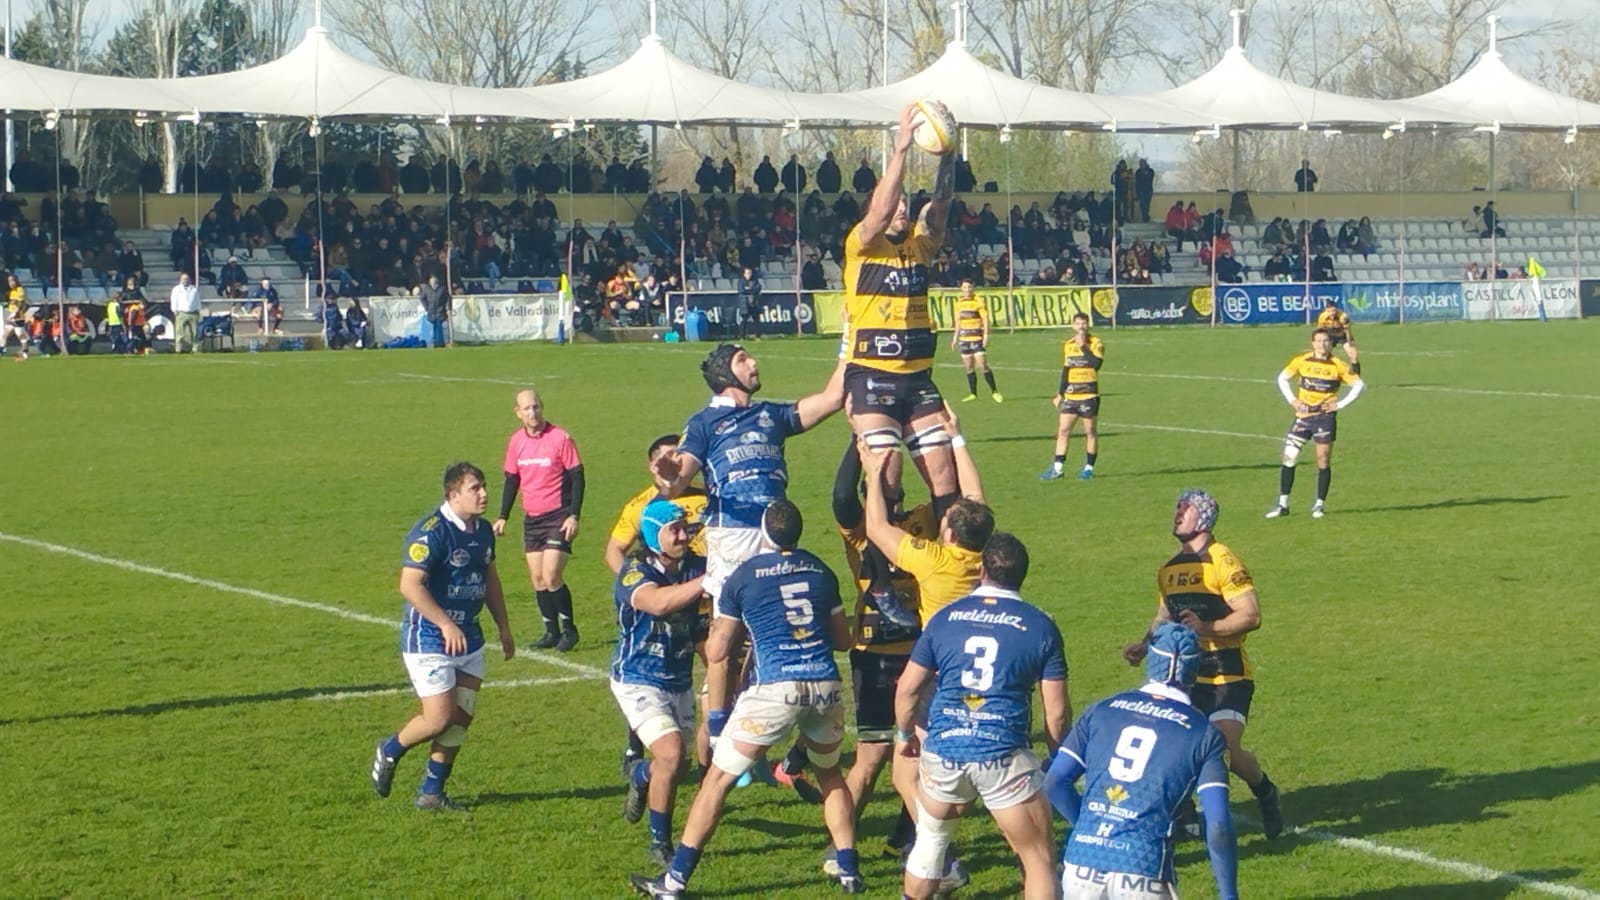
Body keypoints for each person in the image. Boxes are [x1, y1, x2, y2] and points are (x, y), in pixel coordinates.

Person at [630, 500, 863, 898]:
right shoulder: (821, 571)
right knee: (831, 775)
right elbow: (842, 639)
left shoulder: (746, 575)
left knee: (717, 781)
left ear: (764, 534)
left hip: (775, 689)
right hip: (825, 684)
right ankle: (849, 871)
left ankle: (674, 882)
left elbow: (719, 650)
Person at [894, 532, 1070, 900]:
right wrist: (1056, 756)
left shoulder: (945, 618)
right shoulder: (1040, 625)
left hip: (945, 749)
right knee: (1038, 860)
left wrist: (904, 734)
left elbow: (909, 688)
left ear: (981, 568)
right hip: (1002, 755)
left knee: (930, 844)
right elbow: (1055, 711)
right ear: (1022, 575)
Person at [1122, 489, 1283, 840]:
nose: (1177, 512)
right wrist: (1145, 645)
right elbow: (1164, 616)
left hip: (1227, 673)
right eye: (1177, 506)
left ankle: (1266, 792)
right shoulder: (1169, 570)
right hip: (1183, 678)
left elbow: (1251, 615)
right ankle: (1186, 814)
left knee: (1223, 749)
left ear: (1205, 518)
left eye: (1186, 508)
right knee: (1176, 744)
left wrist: (1207, 628)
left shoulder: (1223, 561)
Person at [1047, 623, 1240, 900]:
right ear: (1194, 671)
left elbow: (1054, 782)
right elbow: (1218, 823)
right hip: (1143, 870)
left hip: (1081, 865)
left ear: (1152, 661)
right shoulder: (1205, 734)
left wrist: (1089, 829)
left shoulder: (1102, 710)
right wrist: (1229, 894)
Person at [651, 343, 844, 609]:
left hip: (777, 531)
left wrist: (852, 338)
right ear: (724, 374)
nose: (754, 363)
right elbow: (675, 486)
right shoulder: (704, 423)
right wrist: (670, 476)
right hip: (733, 534)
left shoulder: (772, 415)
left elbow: (833, 398)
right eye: (743, 360)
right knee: (729, 629)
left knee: (774, 617)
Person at [369, 462, 515, 812]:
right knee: (438, 718)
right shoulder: (431, 532)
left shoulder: (482, 531)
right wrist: (445, 624)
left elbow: (489, 579)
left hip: (470, 638)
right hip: (430, 638)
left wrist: (504, 626)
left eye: (484, 486)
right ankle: (390, 750)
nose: (484, 494)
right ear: (453, 495)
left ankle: (432, 791)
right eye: (475, 488)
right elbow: (410, 585)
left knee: (462, 715)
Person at [842, 101, 960, 525]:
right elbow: (878, 212)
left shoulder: (920, 246)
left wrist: (947, 157)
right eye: (896, 203)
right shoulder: (862, 244)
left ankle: (953, 558)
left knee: (945, 475)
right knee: (886, 474)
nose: (903, 209)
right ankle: (881, 575)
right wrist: (901, 151)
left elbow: (941, 205)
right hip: (873, 374)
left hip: (918, 377)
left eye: (907, 203)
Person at [606, 434, 712, 781]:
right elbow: (614, 550)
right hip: (667, 598)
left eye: (678, 454)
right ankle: (637, 746)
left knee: (718, 667)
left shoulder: (706, 496)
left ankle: (720, 756)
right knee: (650, 666)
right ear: (653, 465)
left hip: (703, 599)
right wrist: (639, 584)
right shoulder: (642, 506)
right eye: (666, 456)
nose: (674, 460)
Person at [612, 501, 709, 867]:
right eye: (675, 530)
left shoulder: (696, 566)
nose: (684, 535)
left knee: (674, 765)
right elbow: (658, 603)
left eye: (685, 528)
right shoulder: (634, 571)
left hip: (679, 678)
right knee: (671, 754)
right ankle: (660, 844)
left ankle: (641, 775)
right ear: (654, 536)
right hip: (638, 678)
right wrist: (707, 581)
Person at [491, 389, 585, 651]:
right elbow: (512, 479)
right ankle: (551, 631)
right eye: (527, 409)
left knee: (552, 574)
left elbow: (577, 476)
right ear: (518, 413)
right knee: (537, 578)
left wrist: (573, 515)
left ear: (542, 407)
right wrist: (503, 516)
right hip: (532, 519)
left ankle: (570, 629)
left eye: (536, 407)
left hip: (558, 516)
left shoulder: (560, 438)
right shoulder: (516, 442)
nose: (533, 413)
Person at [1265, 328, 1365, 519]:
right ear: (1312, 343)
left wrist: (1339, 405)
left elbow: (1359, 385)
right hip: (1302, 417)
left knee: (1323, 460)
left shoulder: (1337, 365)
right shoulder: (1302, 360)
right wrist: (1293, 401)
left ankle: (1319, 505)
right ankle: (1282, 505)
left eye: (1325, 341)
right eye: (1318, 341)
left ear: (1330, 344)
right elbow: (1282, 378)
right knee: (1289, 457)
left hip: (1324, 418)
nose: (1322, 344)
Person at [1041, 312, 1104, 481]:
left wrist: (1083, 346)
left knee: (1090, 431)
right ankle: (1058, 468)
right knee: (1063, 431)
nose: (1081, 326)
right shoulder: (1068, 345)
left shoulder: (1095, 343)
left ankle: (1088, 468)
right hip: (1071, 396)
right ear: (1073, 326)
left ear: (1088, 325)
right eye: (1078, 323)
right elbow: (1066, 370)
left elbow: (1096, 364)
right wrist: (1060, 393)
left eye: (1084, 323)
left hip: (1088, 395)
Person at [950, 279, 1001, 403]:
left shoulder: (978, 301)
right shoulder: (958, 303)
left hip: (977, 338)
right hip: (964, 339)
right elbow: (958, 322)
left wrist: (986, 335)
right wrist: (955, 338)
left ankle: (995, 392)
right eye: (965, 287)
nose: (967, 289)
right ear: (961, 289)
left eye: (969, 287)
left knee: (982, 365)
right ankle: (973, 394)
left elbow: (985, 319)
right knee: (969, 367)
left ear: (973, 288)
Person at [1315, 298, 1358, 365]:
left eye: (1334, 310)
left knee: (1353, 356)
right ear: (1326, 310)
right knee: (1323, 355)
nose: (1332, 313)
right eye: (1329, 311)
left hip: (1342, 335)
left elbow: (1347, 330)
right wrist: (1319, 343)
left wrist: (1350, 342)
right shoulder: (1322, 317)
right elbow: (1320, 331)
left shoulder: (1343, 316)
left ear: (1336, 309)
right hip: (1330, 335)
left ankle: (1356, 375)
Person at [169, 272, 201, 353]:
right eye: (183, 279)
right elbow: (174, 300)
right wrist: (174, 310)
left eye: (187, 279)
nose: (185, 280)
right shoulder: (176, 289)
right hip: (181, 313)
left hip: (193, 313)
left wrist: (198, 309)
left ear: (189, 280)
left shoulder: (194, 289)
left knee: (195, 332)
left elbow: (197, 300)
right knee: (179, 332)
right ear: (180, 280)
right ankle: (178, 348)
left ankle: (195, 348)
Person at [419, 273, 450, 348]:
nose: (433, 281)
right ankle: (434, 342)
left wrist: (447, 307)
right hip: (431, 311)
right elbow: (422, 298)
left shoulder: (442, 288)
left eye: (434, 279)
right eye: (431, 279)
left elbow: (447, 298)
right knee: (433, 327)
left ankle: (439, 343)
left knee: (439, 327)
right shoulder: (427, 288)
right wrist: (426, 307)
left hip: (440, 311)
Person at [736, 265, 762, 341]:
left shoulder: (755, 280)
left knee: (756, 320)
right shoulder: (741, 281)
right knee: (744, 320)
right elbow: (742, 291)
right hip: (745, 303)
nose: (749, 275)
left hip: (754, 303)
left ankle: (757, 336)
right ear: (744, 274)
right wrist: (751, 290)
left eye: (750, 273)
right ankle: (742, 337)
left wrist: (750, 290)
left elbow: (758, 288)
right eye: (747, 273)